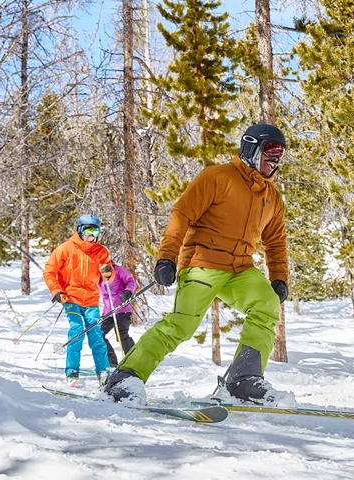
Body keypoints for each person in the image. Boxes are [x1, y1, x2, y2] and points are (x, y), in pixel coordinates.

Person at [104, 123, 290, 404]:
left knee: (266, 302)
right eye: (270, 151)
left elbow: (275, 242)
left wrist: (279, 278)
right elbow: (182, 215)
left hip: (240, 269)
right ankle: (126, 377)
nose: (275, 159)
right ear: (251, 148)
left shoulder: (272, 197)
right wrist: (167, 257)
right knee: (181, 326)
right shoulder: (217, 177)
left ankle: (243, 380)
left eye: (280, 154)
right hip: (203, 262)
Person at [43, 214, 113, 385]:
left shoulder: (101, 251)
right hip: (71, 298)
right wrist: (56, 291)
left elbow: (109, 274)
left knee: (96, 334)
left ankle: (103, 372)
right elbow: (49, 271)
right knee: (77, 331)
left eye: (95, 230)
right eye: (88, 230)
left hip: (91, 300)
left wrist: (108, 273)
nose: (92, 234)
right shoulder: (65, 249)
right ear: (79, 230)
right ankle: (72, 372)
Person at [98, 261, 137, 367]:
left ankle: (134, 361)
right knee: (98, 334)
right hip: (108, 313)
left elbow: (131, 281)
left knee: (121, 335)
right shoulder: (98, 275)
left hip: (122, 309)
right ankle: (111, 362)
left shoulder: (118, 270)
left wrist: (128, 291)